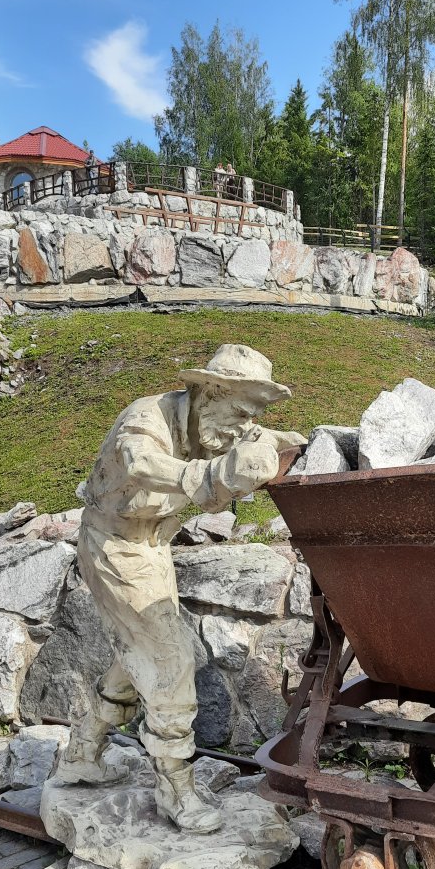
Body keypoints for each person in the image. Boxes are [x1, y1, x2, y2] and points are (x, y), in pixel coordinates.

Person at [55, 345, 306, 833]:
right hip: (115, 544)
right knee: (171, 660)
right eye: (240, 409)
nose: (242, 424)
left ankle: (84, 751)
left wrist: (287, 444)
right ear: (210, 390)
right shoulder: (148, 417)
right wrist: (211, 475)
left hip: (152, 546)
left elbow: (256, 436)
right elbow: (138, 463)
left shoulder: (215, 421)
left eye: (253, 413)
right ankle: (176, 787)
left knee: (142, 649)